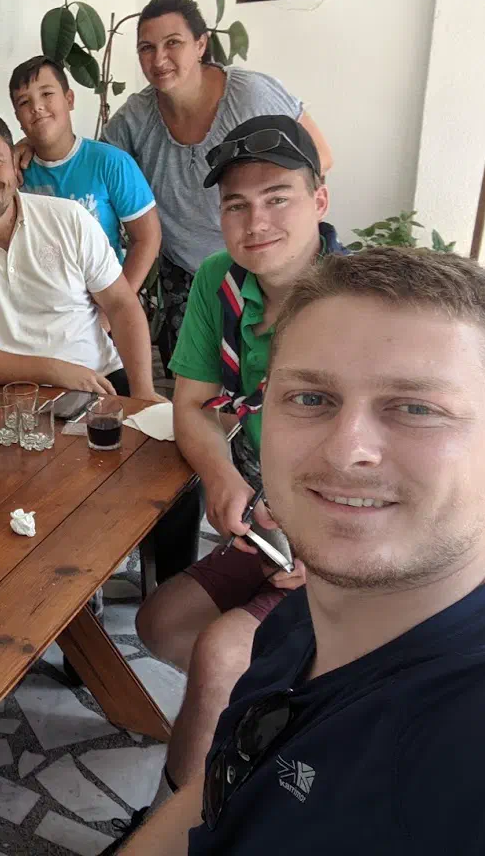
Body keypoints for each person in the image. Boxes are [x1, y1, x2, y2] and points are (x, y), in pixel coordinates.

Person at [117, 247, 485, 855]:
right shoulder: (292, 628)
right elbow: (221, 790)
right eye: (311, 398)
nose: (345, 451)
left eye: (416, 408)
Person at [129, 116, 342, 821]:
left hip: (342, 545)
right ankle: (277, 735)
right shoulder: (221, 284)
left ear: (318, 200)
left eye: (276, 197)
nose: (255, 222)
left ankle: (180, 828)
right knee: (160, 624)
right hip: (265, 528)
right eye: (235, 204)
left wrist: (329, 544)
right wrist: (223, 479)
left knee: (222, 657)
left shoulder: (359, 305)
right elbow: (190, 405)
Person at [101, 0, 332, 369]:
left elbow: (320, 155)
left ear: (201, 44)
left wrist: (272, 211)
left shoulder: (250, 95)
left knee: (278, 380)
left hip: (263, 267)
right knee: (197, 388)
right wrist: (34, 143)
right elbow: (96, 164)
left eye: (172, 43)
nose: (159, 59)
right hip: (187, 279)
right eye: (147, 47)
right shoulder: (137, 116)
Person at [0, 112, 160, 400]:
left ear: (15, 163)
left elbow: (121, 304)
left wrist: (144, 392)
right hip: (5, 398)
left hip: (100, 382)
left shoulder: (68, 217)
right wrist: (54, 371)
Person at [9, 55, 162, 294]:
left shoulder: (111, 163)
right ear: (18, 118)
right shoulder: (14, 174)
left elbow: (147, 238)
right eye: (23, 102)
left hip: (103, 306)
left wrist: (117, 309)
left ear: (69, 99)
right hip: (39, 310)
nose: (36, 106)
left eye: (47, 94)